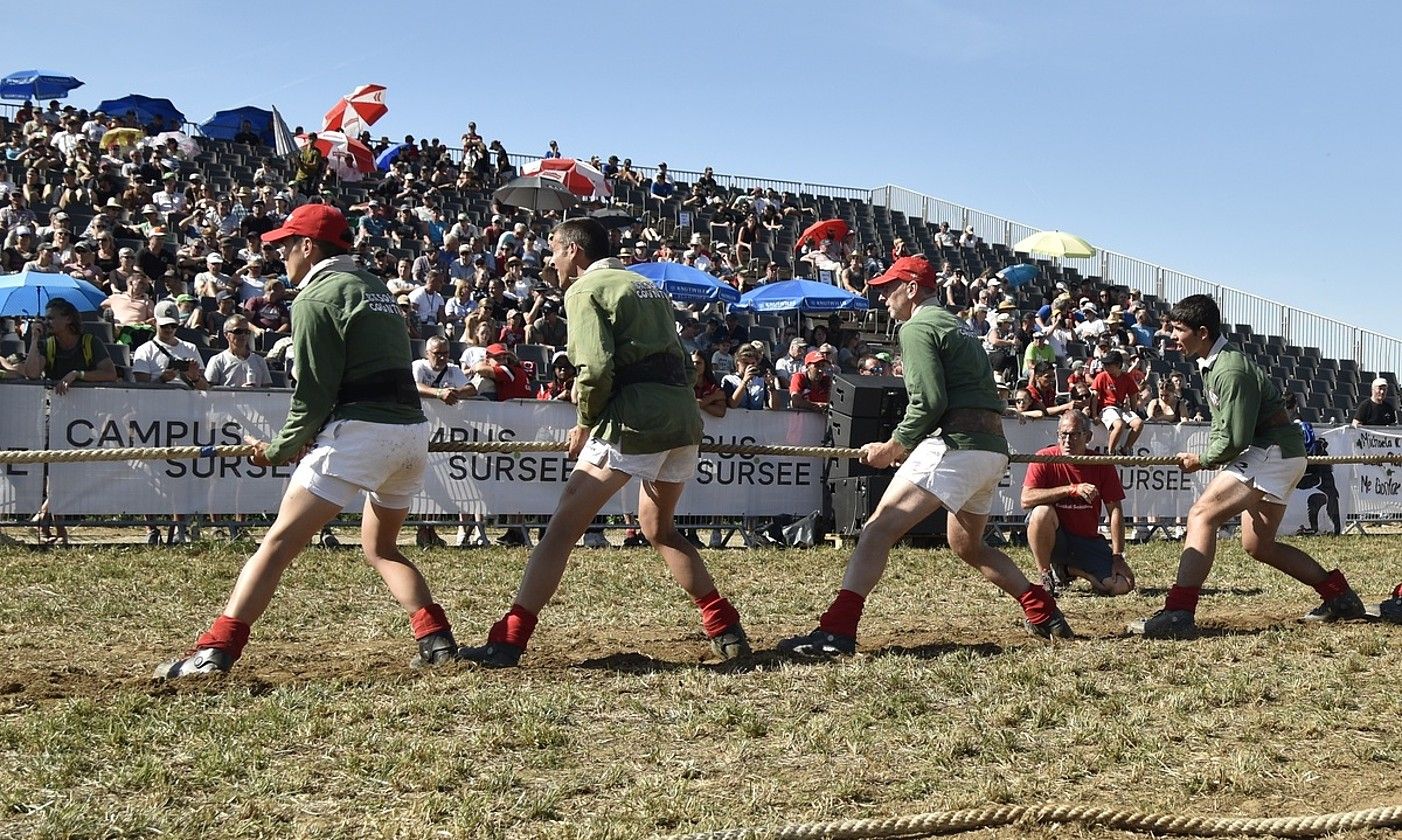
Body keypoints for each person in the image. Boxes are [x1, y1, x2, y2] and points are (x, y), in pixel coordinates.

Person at [155, 204, 459, 679]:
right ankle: (437, 639)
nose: (279, 256)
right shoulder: (374, 287)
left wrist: (276, 449)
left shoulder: (315, 297)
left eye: (283, 246)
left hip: (359, 437)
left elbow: (314, 391)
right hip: (410, 437)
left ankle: (214, 653)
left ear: (307, 247)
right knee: (382, 548)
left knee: (276, 544)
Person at [459, 218, 751, 668]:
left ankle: (509, 640)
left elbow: (594, 371)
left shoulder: (583, 290)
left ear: (574, 252)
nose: (550, 260)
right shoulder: (644, 285)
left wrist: (584, 422)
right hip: (682, 422)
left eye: (553, 249)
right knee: (658, 528)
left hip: (632, 422)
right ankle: (723, 624)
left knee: (561, 529)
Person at [777, 256, 1073, 659]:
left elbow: (929, 401)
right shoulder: (959, 327)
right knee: (967, 545)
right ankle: (1042, 608)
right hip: (988, 451)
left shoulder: (916, 326)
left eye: (888, 289)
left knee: (877, 530)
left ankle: (836, 630)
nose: (882, 298)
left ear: (912, 288)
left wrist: (893, 447)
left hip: (954, 446)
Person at [1128, 295, 1365, 638]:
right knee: (1259, 545)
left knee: (1201, 515)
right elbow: (1229, 427)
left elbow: (1235, 439)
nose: (1172, 337)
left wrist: (1203, 459)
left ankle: (1178, 613)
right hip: (1280, 453)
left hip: (1271, 453)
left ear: (1203, 332)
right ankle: (1339, 597)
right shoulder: (1215, 363)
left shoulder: (1230, 370)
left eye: (1178, 330)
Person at [1022, 412, 1136, 596]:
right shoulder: (1043, 457)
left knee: (1122, 585)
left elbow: (1115, 510)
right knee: (1040, 512)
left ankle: (1067, 571)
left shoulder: (1101, 463)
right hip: (1056, 539)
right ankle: (1045, 574)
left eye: (1075, 434)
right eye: (1063, 435)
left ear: (1088, 437)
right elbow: (1026, 499)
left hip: (1087, 541)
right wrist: (1070, 489)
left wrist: (1117, 556)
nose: (1068, 440)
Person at [1284, 393, 1340, 536]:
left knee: (1327, 493)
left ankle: (1330, 528)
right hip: (1303, 469)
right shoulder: (1301, 426)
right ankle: (1333, 529)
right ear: (1296, 404)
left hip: (1307, 470)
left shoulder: (1293, 424)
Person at [1092, 350, 1145, 455]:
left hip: (1121, 409)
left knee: (1139, 423)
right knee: (1119, 424)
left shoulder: (1126, 378)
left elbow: (1133, 395)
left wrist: (1133, 412)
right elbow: (1094, 396)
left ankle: (1125, 449)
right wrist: (1094, 415)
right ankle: (1110, 452)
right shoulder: (1101, 376)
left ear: (1118, 365)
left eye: (1108, 364)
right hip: (1106, 408)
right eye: (1104, 364)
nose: (1105, 366)